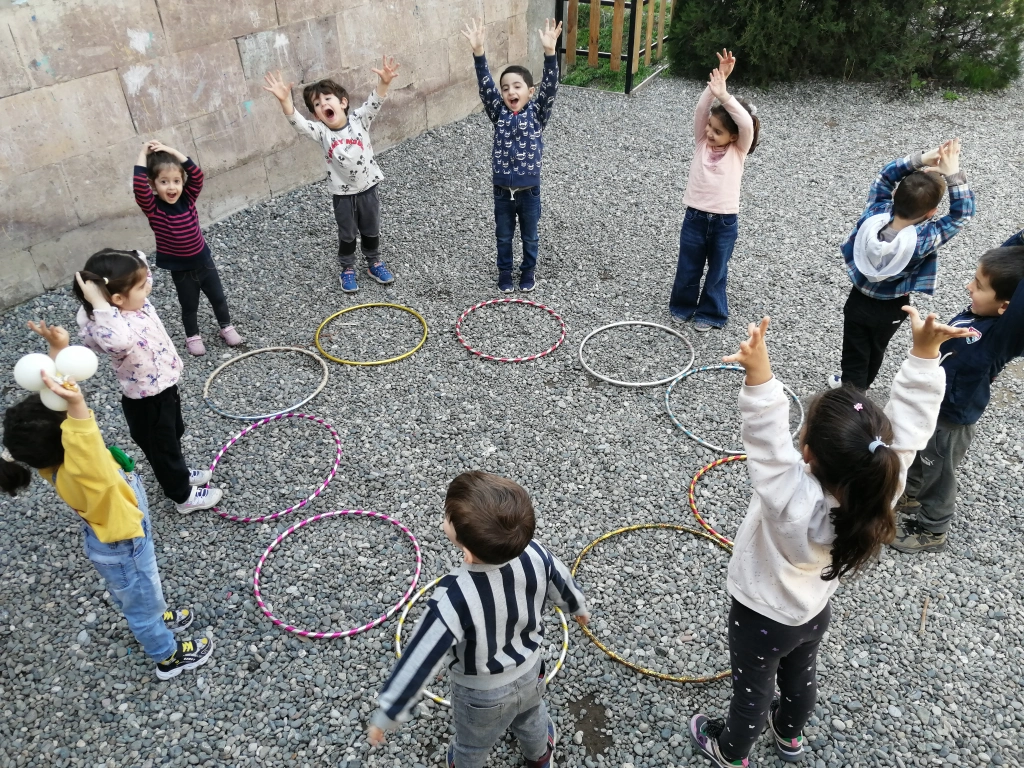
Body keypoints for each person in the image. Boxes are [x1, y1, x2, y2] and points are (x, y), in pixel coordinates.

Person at [688, 310, 974, 768]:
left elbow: (765, 442)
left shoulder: (789, 499)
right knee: (799, 679)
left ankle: (731, 751)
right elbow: (908, 436)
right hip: (813, 611)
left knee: (752, 691)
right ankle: (788, 736)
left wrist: (759, 373)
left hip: (761, 616)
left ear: (806, 451)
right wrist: (924, 356)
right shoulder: (882, 487)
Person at [0, 339, 214, 681]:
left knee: (141, 594)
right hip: (124, 544)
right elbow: (81, 427)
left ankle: (153, 617)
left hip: (112, 539)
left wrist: (58, 358)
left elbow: (71, 425)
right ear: (69, 438)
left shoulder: (57, 463)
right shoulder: (88, 467)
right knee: (142, 602)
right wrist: (76, 400)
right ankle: (167, 656)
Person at [366, 471, 589, 768]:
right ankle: (539, 756)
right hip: (531, 669)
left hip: (481, 694)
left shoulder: (452, 597)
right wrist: (578, 607)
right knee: (532, 716)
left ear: (467, 553)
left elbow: (419, 657)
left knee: (473, 741)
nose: (442, 521)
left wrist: (389, 711)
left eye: (446, 519)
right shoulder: (536, 554)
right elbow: (561, 581)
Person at [892, 245, 1024, 553]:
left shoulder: (1004, 335)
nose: (968, 286)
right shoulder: (982, 312)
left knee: (938, 471)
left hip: (953, 417)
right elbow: (1008, 258)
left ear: (1006, 306)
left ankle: (931, 528)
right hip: (932, 403)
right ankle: (909, 493)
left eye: (978, 285)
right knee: (917, 449)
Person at [70, 250, 223, 513]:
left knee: (173, 435)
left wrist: (136, 259)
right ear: (116, 299)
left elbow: (143, 278)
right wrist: (99, 304)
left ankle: (179, 471)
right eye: (141, 286)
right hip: (146, 399)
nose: (148, 289)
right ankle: (182, 496)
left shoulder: (135, 304)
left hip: (164, 388)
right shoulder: (107, 327)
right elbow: (120, 342)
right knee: (163, 447)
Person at [830, 139, 975, 390]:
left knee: (854, 351)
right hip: (892, 309)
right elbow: (961, 214)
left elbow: (885, 177)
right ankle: (858, 392)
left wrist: (920, 159)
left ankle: (850, 392)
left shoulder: (874, 214)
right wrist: (952, 175)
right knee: (877, 349)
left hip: (858, 301)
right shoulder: (922, 240)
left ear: (895, 195)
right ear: (931, 213)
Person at [263, 58, 400, 293]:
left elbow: (375, 102)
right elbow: (298, 124)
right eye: (317, 104)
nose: (323, 104)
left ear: (343, 102)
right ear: (317, 114)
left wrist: (384, 82)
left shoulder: (359, 120)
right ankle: (347, 268)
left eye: (327, 99)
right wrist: (285, 101)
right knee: (347, 234)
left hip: (368, 188)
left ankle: (373, 262)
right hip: (343, 195)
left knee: (371, 228)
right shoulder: (321, 132)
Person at [463, 17, 562, 293]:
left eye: (517, 86)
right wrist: (479, 52)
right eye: (505, 87)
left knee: (530, 237)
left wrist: (550, 53)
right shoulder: (499, 112)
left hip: (529, 191)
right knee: (503, 235)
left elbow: (551, 86)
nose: (509, 91)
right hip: (501, 190)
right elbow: (485, 87)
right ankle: (505, 273)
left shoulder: (537, 113)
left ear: (530, 92)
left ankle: (527, 272)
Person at [668, 49, 759, 332]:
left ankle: (711, 313)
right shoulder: (701, 142)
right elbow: (700, 110)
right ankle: (682, 307)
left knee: (717, 271)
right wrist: (716, 85)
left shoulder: (739, 149)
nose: (709, 133)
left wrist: (725, 96)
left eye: (717, 131)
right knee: (688, 266)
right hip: (695, 217)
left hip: (724, 221)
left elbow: (744, 122)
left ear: (733, 137)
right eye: (709, 127)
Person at [133, 141, 242, 356]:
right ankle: (193, 336)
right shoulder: (153, 208)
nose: (171, 187)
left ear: (182, 183)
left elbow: (197, 175)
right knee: (189, 305)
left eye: (176, 181)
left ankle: (226, 327)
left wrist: (172, 151)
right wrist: (142, 153)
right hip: (181, 269)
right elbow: (138, 186)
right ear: (153, 185)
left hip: (204, 262)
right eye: (164, 182)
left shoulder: (188, 198)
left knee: (218, 298)